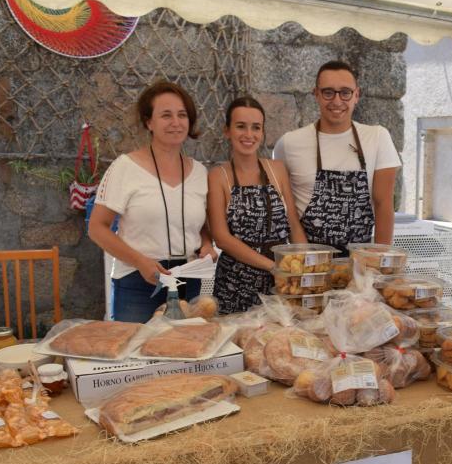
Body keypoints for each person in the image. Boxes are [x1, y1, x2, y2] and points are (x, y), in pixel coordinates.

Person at [89, 80, 216, 323]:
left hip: (189, 279)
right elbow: (96, 228)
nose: (176, 122)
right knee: (138, 345)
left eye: (182, 115)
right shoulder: (125, 167)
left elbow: (199, 226)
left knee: (188, 345)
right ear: (149, 122)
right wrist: (140, 261)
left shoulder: (200, 172)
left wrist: (207, 244)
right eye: (166, 115)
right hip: (139, 280)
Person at [273, 61, 401, 255]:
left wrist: (379, 260)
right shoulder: (289, 143)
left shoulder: (377, 137)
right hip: (310, 261)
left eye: (345, 92)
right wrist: (304, 257)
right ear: (316, 94)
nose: (337, 101)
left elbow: (384, 204)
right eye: (328, 92)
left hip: (361, 262)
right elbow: (286, 209)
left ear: (356, 95)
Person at [208, 96, 306, 314]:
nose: (249, 134)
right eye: (241, 126)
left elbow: (293, 224)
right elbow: (222, 238)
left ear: (262, 132)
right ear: (227, 131)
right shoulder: (218, 176)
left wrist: (305, 264)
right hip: (235, 283)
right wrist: (272, 266)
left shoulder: (277, 169)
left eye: (256, 127)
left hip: (281, 282)